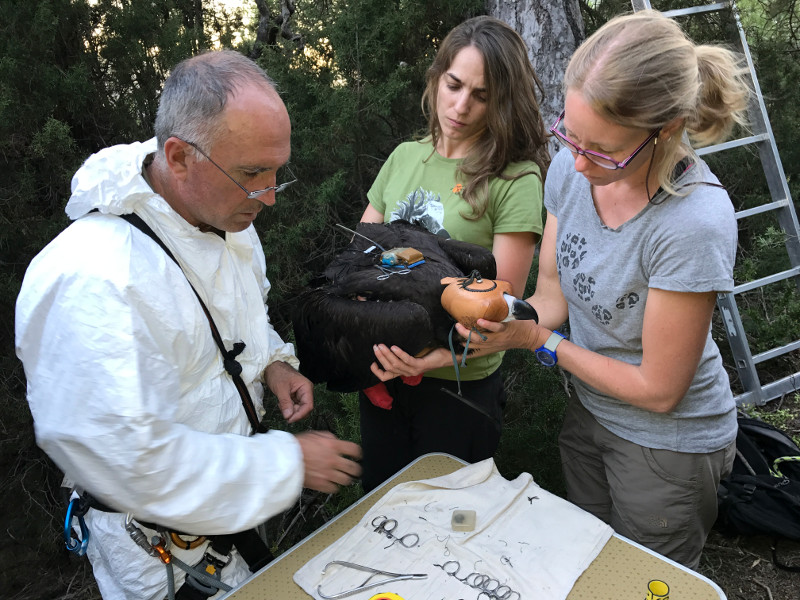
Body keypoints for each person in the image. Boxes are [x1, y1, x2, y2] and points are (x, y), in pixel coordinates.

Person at [15, 50, 361, 600]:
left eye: (277, 173)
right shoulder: (94, 279)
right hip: (156, 557)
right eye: (253, 173)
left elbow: (234, 313)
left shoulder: (223, 214)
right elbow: (127, 457)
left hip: (229, 513)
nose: (269, 196)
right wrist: (286, 462)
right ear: (178, 156)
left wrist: (271, 362)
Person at [456, 10, 751, 569]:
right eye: (569, 134)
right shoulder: (572, 169)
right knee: (590, 561)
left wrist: (538, 342)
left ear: (663, 130)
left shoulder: (693, 222)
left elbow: (660, 390)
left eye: (603, 150)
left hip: (668, 443)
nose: (577, 160)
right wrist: (501, 315)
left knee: (640, 579)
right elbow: (554, 295)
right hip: (592, 409)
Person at [358, 16, 550, 492]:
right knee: (382, 512)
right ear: (435, 78)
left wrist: (432, 359)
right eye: (454, 84)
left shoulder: (515, 178)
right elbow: (359, 254)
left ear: (502, 102)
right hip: (383, 369)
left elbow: (498, 304)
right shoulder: (404, 157)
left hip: (456, 388)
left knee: (450, 528)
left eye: (481, 95)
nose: (461, 106)